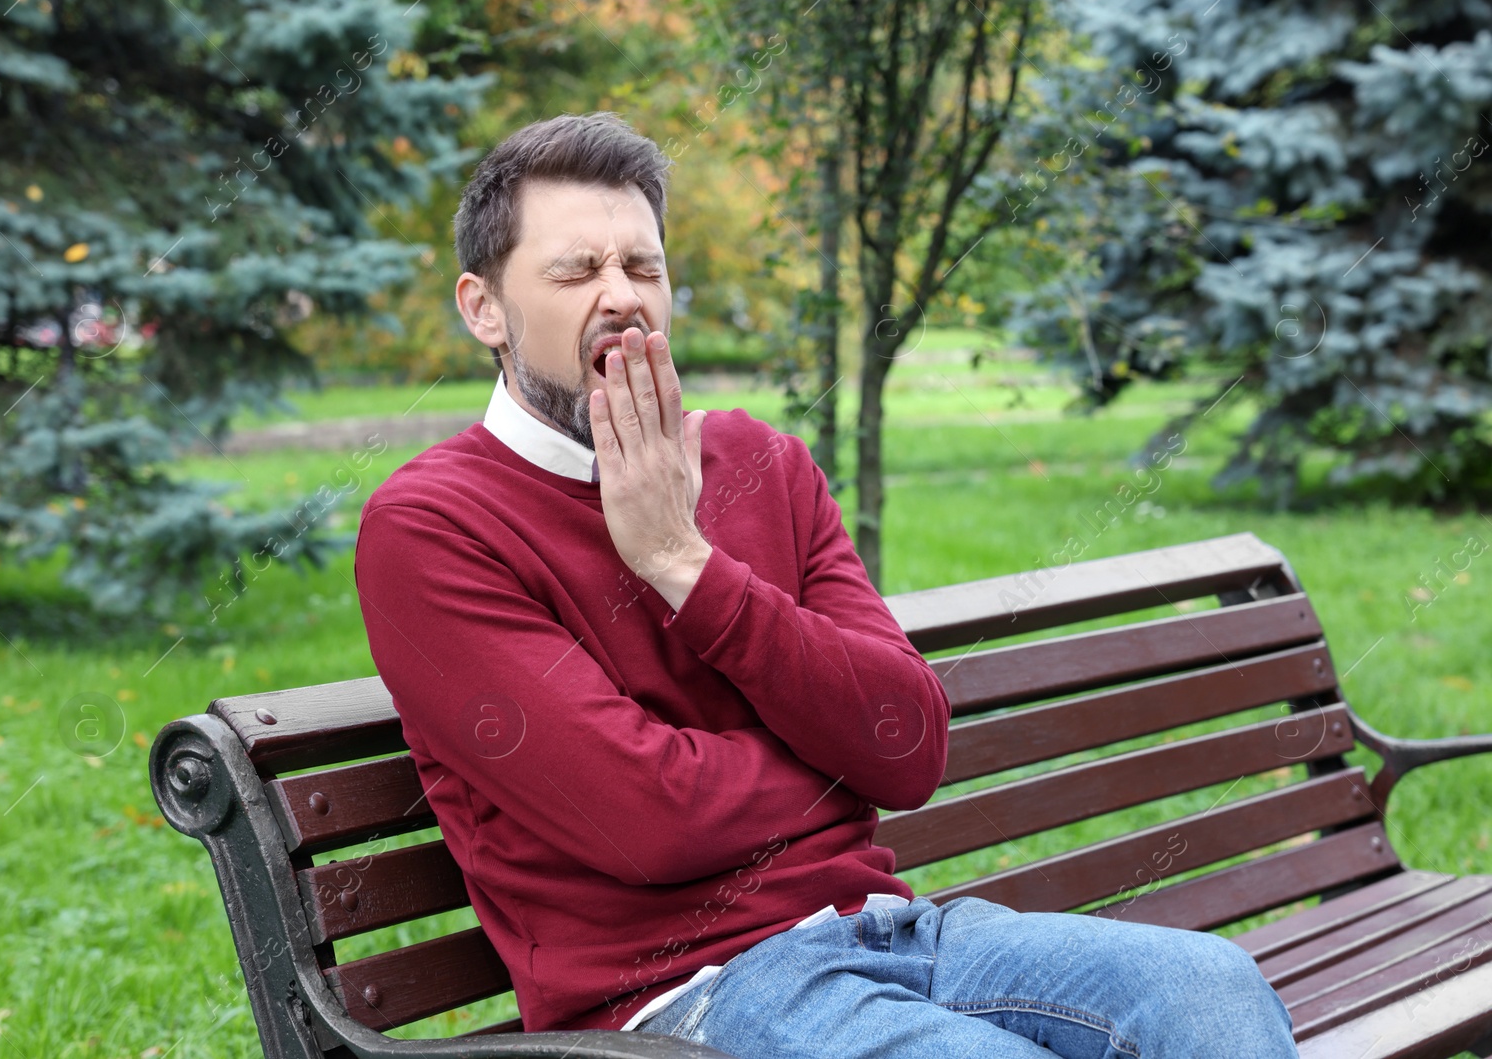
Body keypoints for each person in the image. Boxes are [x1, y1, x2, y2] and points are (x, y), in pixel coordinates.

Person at [352, 111, 1299, 1059]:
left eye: (643, 267)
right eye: (574, 271)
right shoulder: (433, 526)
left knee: (1208, 985)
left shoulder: (760, 460)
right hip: (684, 1001)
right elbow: (650, 823)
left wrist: (683, 561)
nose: (622, 297)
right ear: (483, 308)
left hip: (892, 932)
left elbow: (909, 744)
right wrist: (830, 769)